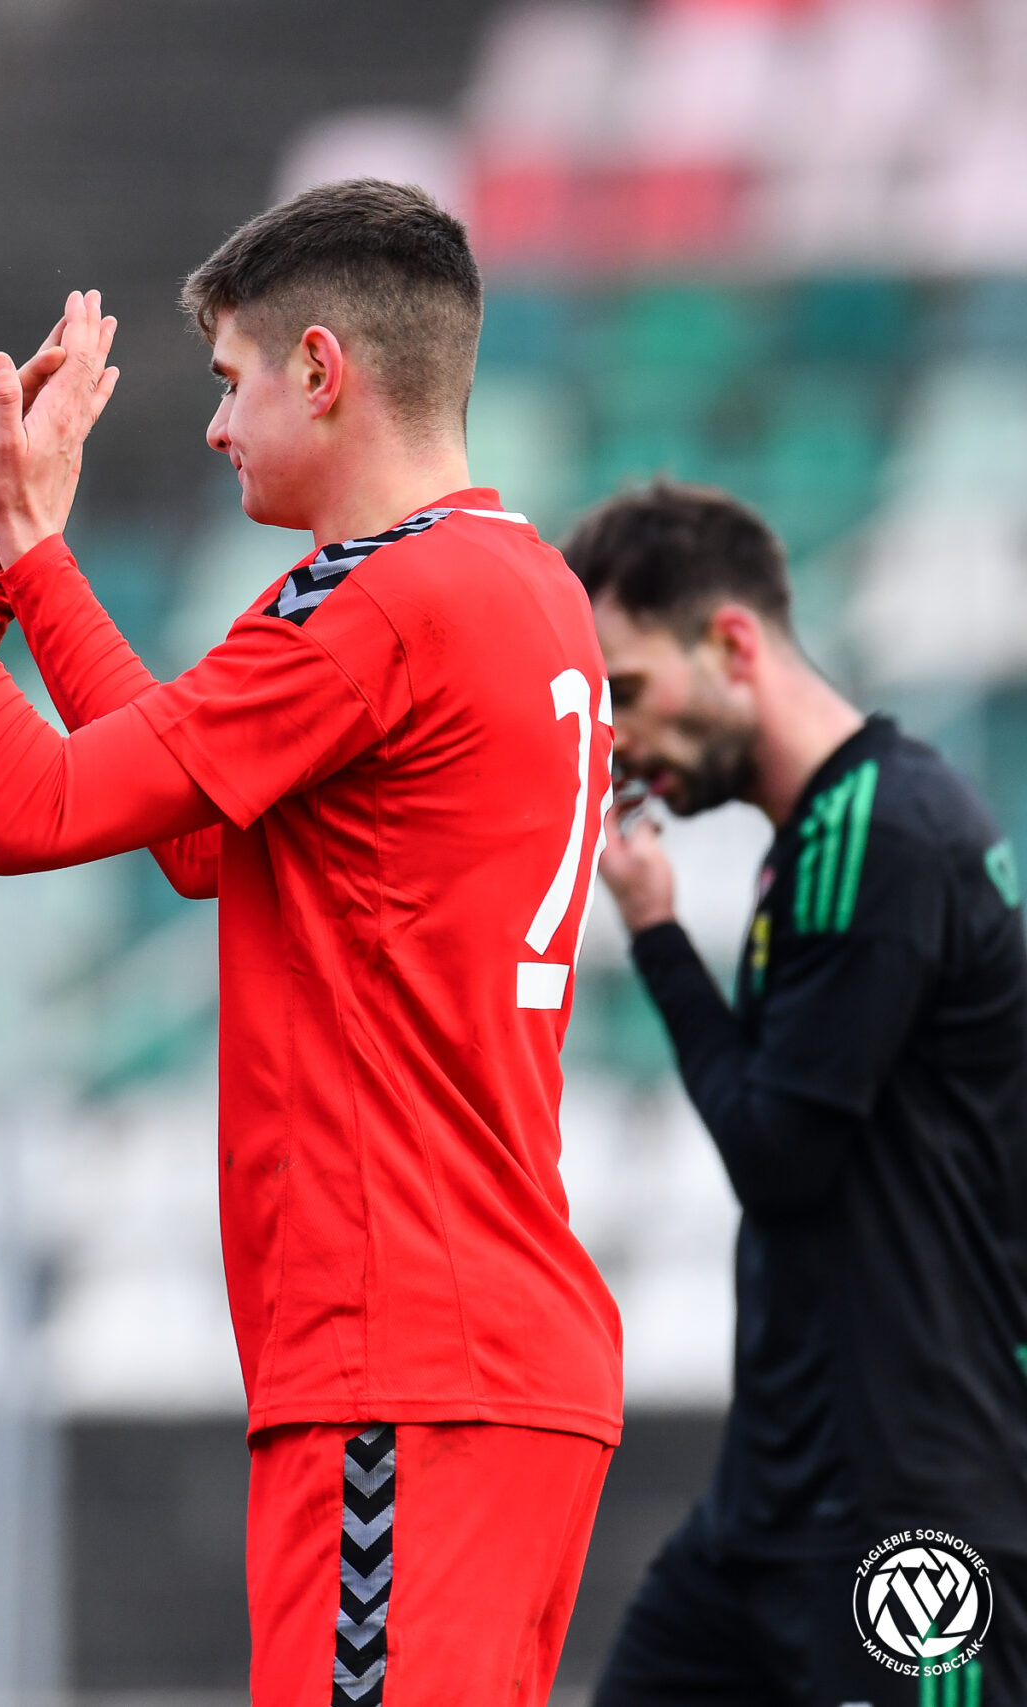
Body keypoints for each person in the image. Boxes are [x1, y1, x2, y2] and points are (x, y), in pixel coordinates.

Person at [0, 187, 623, 1705]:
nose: (213, 428)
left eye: (229, 378)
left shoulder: (379, 602)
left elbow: (23, 807)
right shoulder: (516, 583)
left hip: (404, 1351)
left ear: (320, 370)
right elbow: (206, 844)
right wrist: (32, 553)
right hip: (488, 1347)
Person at [569, 482, 1027, 1707]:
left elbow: (777, 1155)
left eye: (626, 691)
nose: (616, 743)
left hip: (910, 1513)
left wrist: (658, 937)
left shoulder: (878, 834)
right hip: (778, 1503)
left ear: (731, 644)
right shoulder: (833, 832)